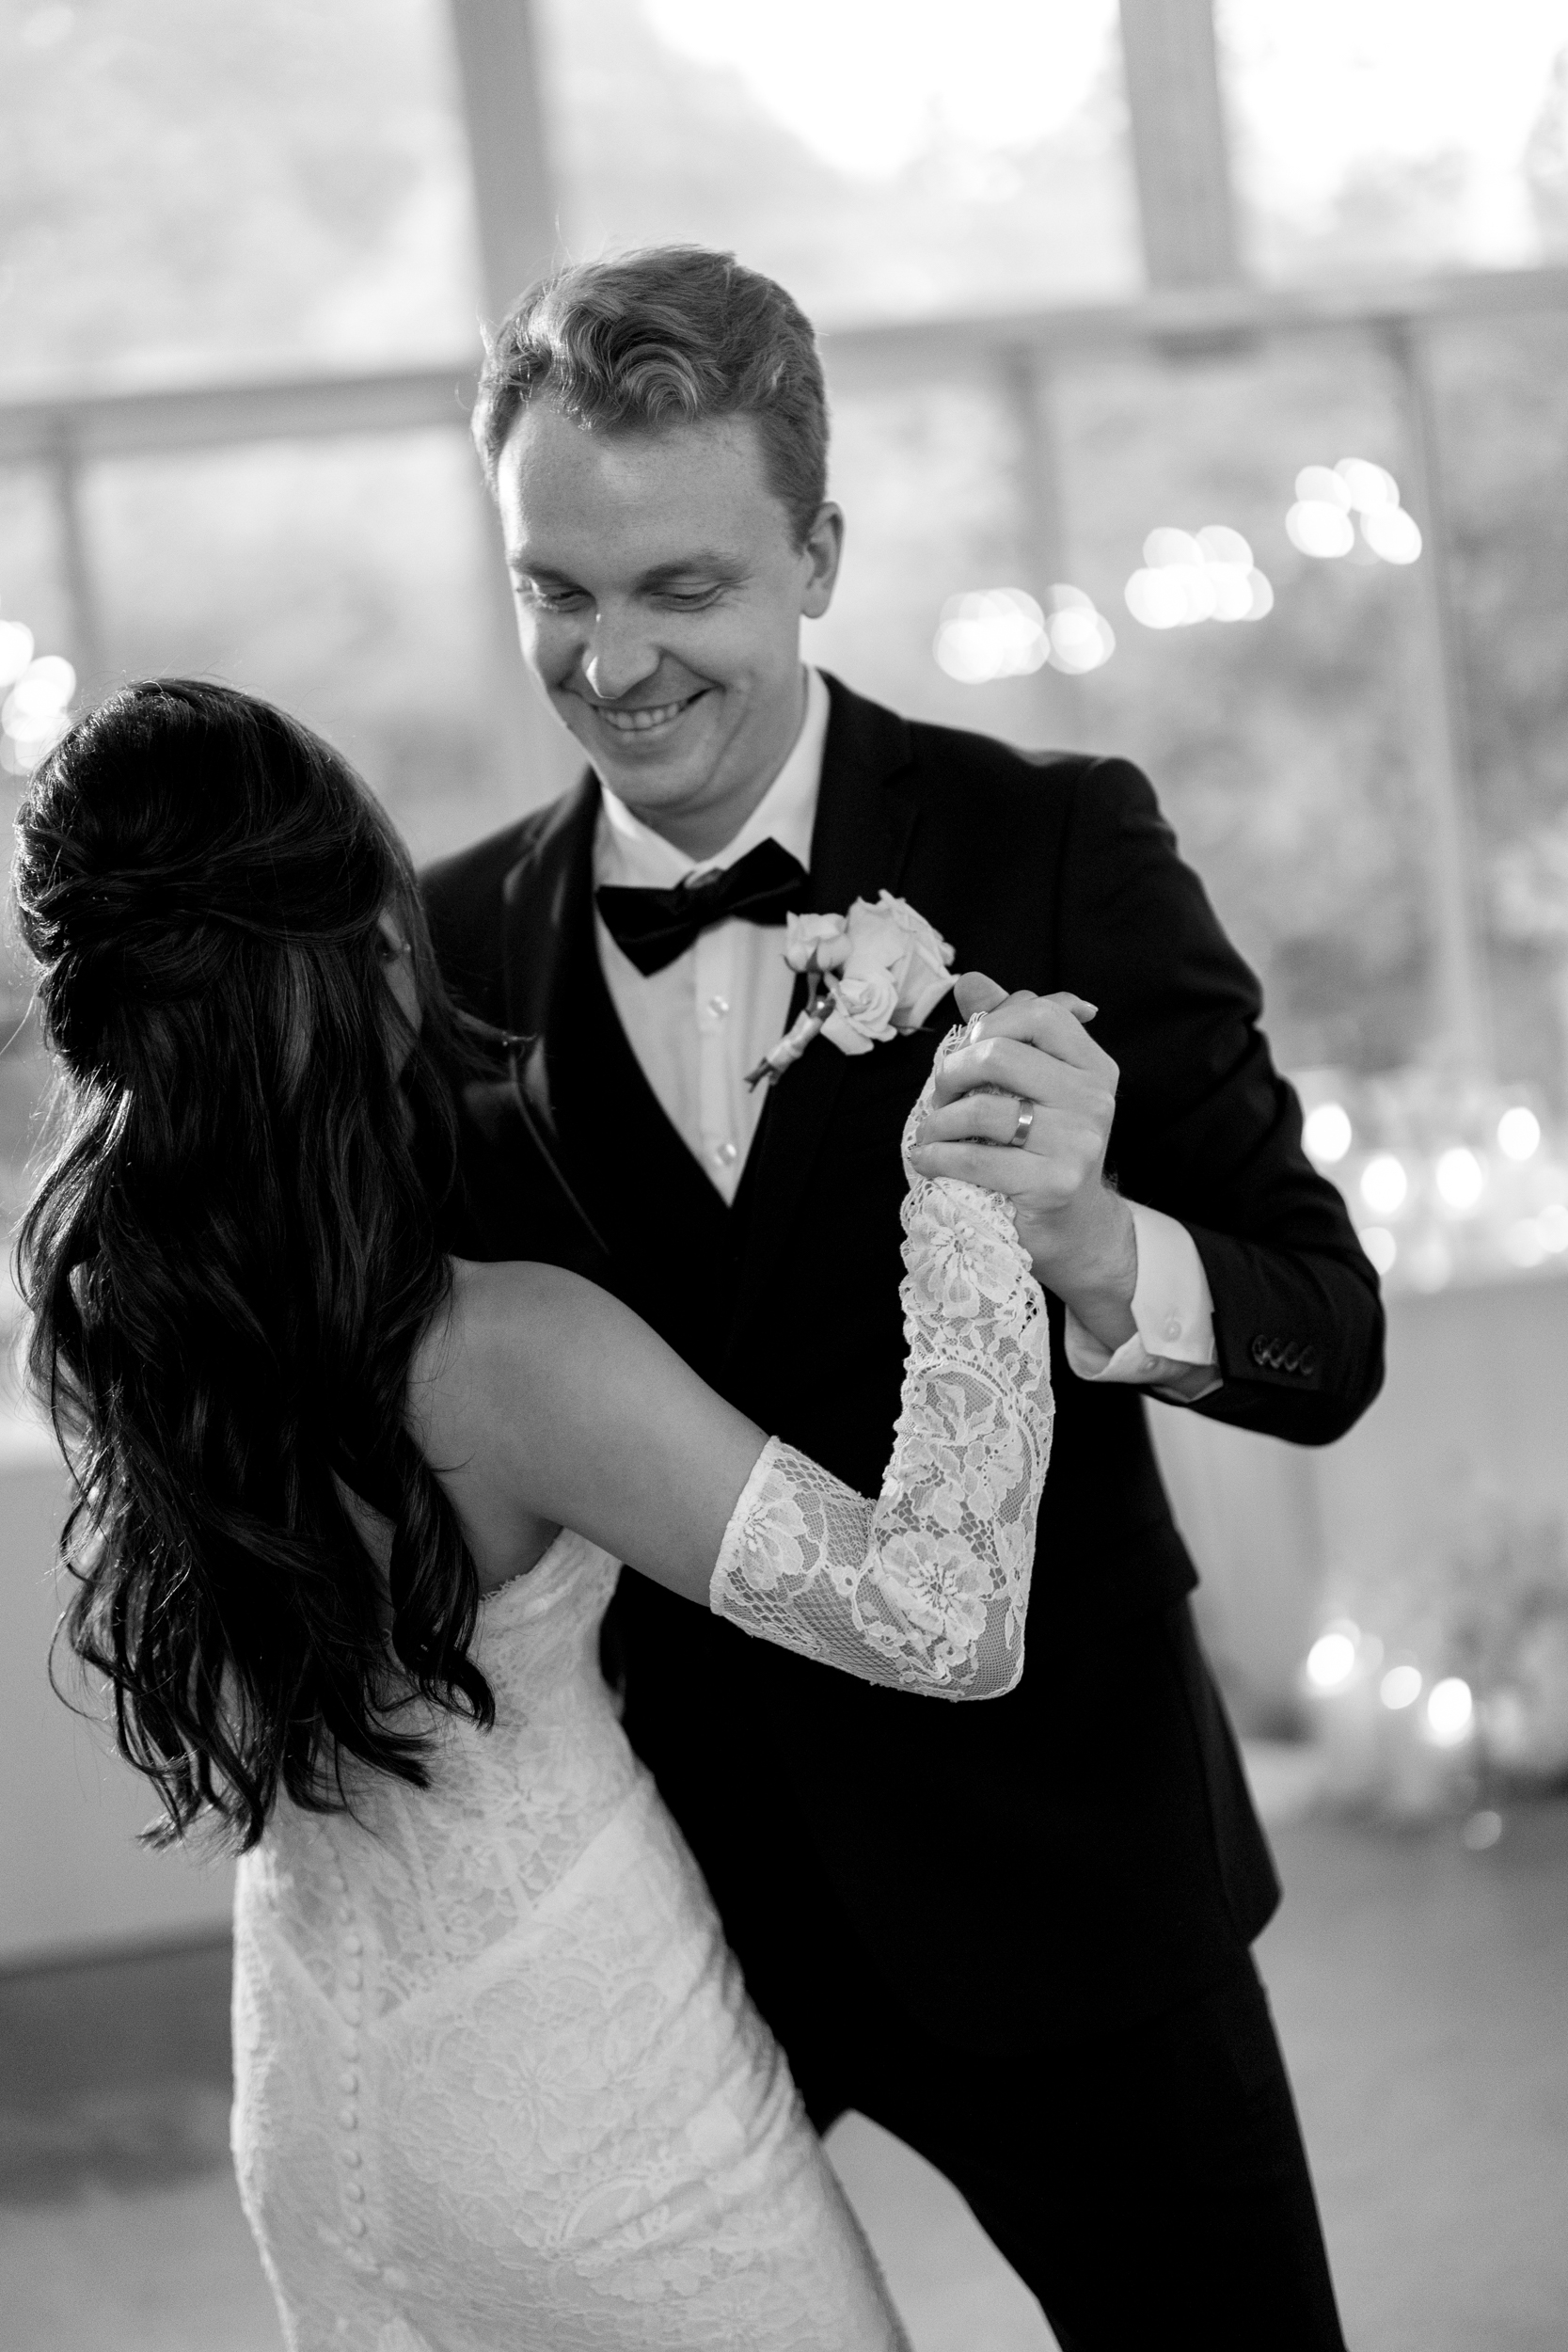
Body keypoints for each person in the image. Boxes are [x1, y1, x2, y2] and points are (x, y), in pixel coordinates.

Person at [421, 245, 1386, 2351]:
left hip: (1067, 1883)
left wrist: (1106, 1248)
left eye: (681, 588)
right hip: (666, 1921)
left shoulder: (1054, 848)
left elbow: (1332, 1326)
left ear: (820, 551)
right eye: (553, 591)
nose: (612, 661)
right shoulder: (438, 950)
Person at [15, 676, 1059, 2349]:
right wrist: (971, 1218)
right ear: (364, 939)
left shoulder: (129, 1323)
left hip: (315, 2089)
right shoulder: (503, 1357)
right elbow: (946, 1617)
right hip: (582, 2109)